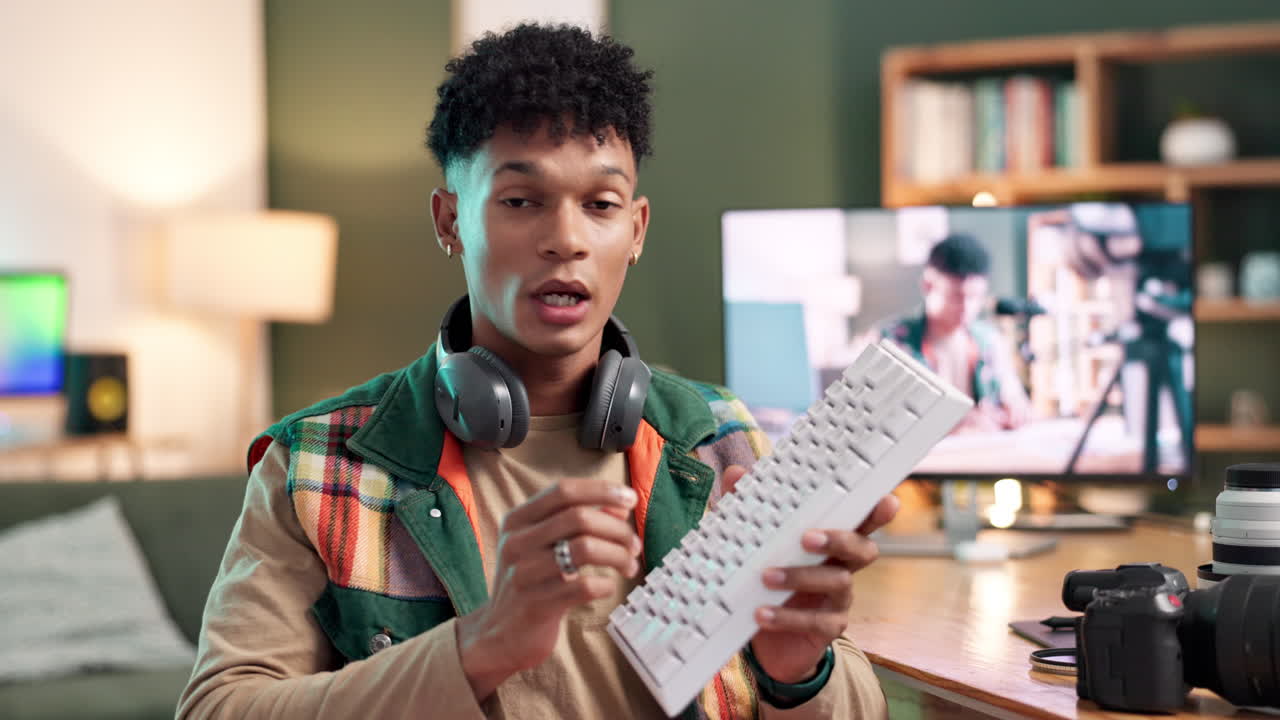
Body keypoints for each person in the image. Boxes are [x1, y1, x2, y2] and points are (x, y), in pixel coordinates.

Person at [177, 23, 894, 720]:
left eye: (601, 205)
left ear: (636, 229)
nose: (566, 239)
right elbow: (219, 708)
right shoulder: (316, 465)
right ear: (450, 221)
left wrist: (797, 674)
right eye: (521, 201)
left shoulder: (721, 438)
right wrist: (479, 647)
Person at [880, 233, 1031, 432]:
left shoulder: (989, 340)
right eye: (956, 297)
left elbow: (1013, 395)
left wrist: (1015, 407)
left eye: (975, 296)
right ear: (928, 285)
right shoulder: (893, 341)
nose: (967, 307)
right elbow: (881, 418)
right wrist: (952, 421)